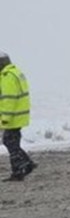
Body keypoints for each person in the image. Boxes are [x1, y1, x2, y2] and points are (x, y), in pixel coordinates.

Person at [0, 51, 37, 181]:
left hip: (13, 117)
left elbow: (9, 100)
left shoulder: (7, 76)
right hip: (19, 116)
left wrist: (4, 119)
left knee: (10, 142)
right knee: (11, 142)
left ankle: (21, 169)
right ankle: (25, 165)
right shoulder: (15, 72)